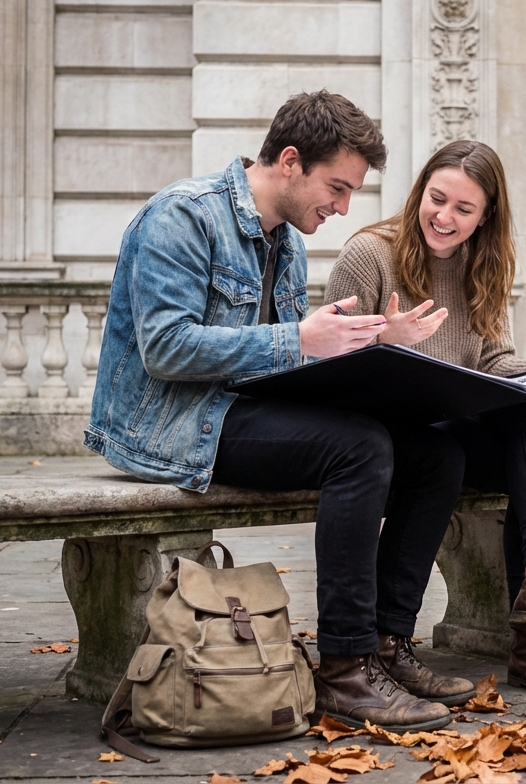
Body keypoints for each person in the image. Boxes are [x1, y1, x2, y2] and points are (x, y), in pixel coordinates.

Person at [85, 91, 476, 733]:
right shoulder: (182, 216)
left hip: (241, 408)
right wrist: (299, 339)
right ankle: (346, 670)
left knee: (437, 452)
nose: (343, 208)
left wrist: (376, 344)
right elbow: (165, 347)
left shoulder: (285, 241)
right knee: (360, 448)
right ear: (290, 162)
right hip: (170, 423)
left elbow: (285, 364)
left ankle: (386, 646)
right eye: (337, 188)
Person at [324, 140, 526, 698]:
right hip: (383, 436)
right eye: (437, 199)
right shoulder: (369, 253)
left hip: (449, 423)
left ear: (486, 217)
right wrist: (384, 338)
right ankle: (396, 640)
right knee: (445, 454)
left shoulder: (485, 265)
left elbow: (492, 361)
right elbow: (328, 363)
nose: (444, 217)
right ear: (419, 192)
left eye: (463, 208)